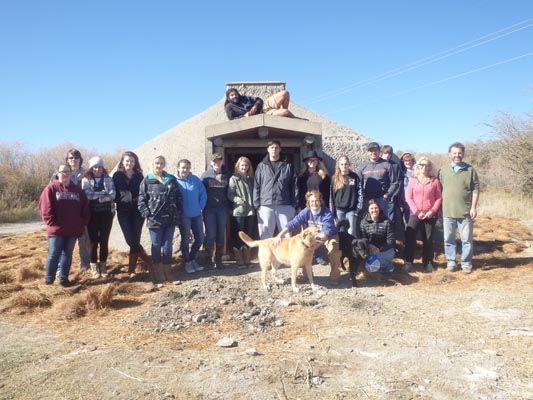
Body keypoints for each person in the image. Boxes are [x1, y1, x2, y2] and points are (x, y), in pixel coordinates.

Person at [39, 164, 90, 286]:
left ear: (71, 174)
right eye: (62, 172)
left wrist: (81, 224)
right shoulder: (51, 189)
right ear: (58, 173)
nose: (65, 174)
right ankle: (49, 280)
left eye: (67, 172)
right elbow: (45, 208)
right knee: (54, 253)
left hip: (72, 230)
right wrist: (52, 223)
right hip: (56, 231)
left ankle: (63, 279)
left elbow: (85, 209)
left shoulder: (77, 191)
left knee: (68, 254)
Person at [138, 155, 183, 283]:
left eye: (161, 163)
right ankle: (158, 273)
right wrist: (147, 213)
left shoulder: (171, 179)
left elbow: (178, 196)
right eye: (157, 163)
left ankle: (168, 272)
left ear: (164, 165)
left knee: (168, 247)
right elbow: (141, 200)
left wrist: (178, 212)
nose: (159, 165)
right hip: (155, 219)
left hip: (170, 218)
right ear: (153, 164)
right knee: (156, 245)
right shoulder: (147, 180)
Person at [437, 142, 480, 274]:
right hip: (447, 211)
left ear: (463, 154)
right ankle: (451, 262)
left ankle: (466, 263)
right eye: (454, 153)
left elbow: (476, 190)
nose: (457, 155)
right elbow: (438, 191)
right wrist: (438, 210)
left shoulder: (470, 170)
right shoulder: (443, 171)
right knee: (448, 240)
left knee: (466, 240)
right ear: (450, 154)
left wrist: (473, 207)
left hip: (465, 211)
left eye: (459, 153)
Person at [50, 149, 91, 273]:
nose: (73, 160)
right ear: (67, 160)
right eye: (71, 158)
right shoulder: (59, 173)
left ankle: (85, 267)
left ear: (80, 159)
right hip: (64, 214)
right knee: (62, 245)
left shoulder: (86, 173)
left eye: (76, 157)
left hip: (81, 212)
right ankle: (59, 270)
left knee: (84, 242)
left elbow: (92, 189)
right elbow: (51, 190)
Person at [273, 190, 337, 267]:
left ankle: (334, 271)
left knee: (334, 249)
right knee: (302, 248)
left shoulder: (327, 213)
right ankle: (310, 268)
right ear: (308, 203)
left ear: (320, 201)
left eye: (316, 201)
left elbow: (326, 232)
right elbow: (293, 223)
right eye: (312, 201)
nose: (314, 203)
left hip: (327, 239)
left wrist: (313, 248)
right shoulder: (306, 212)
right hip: (312, 240)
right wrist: (279, 235)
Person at [112, 151, 151, 277]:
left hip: (137, 211)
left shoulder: (139, 176)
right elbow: (113, 192)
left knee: (136, 238)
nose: (129, 163)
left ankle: (131, 270)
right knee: (130, 240)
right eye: (127, 160)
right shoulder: (117, 176)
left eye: (132, 161)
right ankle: (149, 261)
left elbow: (144, 192)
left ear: (135, 162)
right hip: (123, 211)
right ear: (123, 162)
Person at [253, 139, 299, 239]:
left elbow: (294, 186)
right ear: (268, 149)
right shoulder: (261, 166)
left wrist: (293, 204)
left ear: (280, 149)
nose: (274, 149)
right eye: (272, 147)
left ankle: (285, 255)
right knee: (265, 236)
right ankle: (265, 255)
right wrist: (257, 204)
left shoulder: (288, 166)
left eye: (276, 147)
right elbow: (256, 186)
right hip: (265, 205)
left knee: (287, 235)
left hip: (285, 205)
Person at [404, 157, 442, 273]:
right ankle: (408, 262)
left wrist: (432, 211)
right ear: (418, 166)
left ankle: (428, 262)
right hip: (415, 213)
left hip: (430, 214)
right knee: (410, 237)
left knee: (428, 239)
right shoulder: (413, 180)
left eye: (426, 165)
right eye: (421, 164)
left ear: (430, 167)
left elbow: (439, 198)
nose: (424, 167)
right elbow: (408, 198)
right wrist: (417, 212)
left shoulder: (434, 181)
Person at [82, 156, 116, 279]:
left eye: (100, 167)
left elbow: (113, 195)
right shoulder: (86, 179)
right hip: (91, 215)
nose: (97, 169)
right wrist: (103, 194)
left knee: (104, 241)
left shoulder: (108, 179)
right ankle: (94, 268)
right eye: (95, 167)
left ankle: (103, 266)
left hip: (106, 214)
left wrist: (98, 196)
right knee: (92, 242)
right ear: (91, 168)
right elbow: (87, 195)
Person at [176, 159, 207, 274]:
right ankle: (187, 262)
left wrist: (200, 207)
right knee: (185, 240)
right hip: (183, 216)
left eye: (187, 168)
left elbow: (203, 193)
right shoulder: (174, 181)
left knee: (200, 238)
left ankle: (192, 258)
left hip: (196, 214)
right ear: (178, 168)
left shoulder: (195, 180)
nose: (185, 170)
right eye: (183, 167)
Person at [201, 153, 231, 270]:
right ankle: (208, 260)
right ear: (211, 162)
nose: (217, 163)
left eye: (219, 160)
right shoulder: (205, 175)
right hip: (209, 209)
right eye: (214, 161)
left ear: (222, 162)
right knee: (210, 234)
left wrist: (230, 207)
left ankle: (218, 260)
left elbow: (230, 191)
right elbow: (201, 192)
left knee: (220, 234)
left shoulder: (227, 175)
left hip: (222, 209)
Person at [358, 142, 399, 222]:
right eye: (371, 151)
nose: (373, 152)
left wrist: (388, 194)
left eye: (375, 150)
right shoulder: (363, 166)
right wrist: (361, 193)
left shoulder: (386, 165)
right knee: (367, 222)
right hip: (367, 199)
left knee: (384, 222)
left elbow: (394, 182)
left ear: (379, 151)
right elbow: (358, 182)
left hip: (382, 199)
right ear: (368, 152)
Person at [227, 156, 255, 268]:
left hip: (250, 211)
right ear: (238, 166)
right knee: (239, 235)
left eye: (246, 165)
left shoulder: (250, 179)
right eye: (242, 165)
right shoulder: (233, 179)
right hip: (239, 211)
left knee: (248, 235)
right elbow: (230, 194)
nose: (244, 167)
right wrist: (239, 201)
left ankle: (247, 260)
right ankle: (239, 261)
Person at [360, 199, 395, 275]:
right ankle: (378, 266)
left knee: (377, 261)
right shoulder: (363, 222)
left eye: (376, 208)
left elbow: (391, 240)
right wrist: (369, 245)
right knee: (369, 266)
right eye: (371, 208)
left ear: (379, 209)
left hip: (385, 249)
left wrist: (379, 248)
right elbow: (363, 238)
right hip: (370, 249)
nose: (374, 210)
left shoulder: (387, 222)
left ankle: (388, 266)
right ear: (368, 210)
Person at [329, 155, 363, 236]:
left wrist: (358, 209)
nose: (344, 166)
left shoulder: (354, 177)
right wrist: (332, 211)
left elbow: (360, 193)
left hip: (351, 210)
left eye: (346, 164)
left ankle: (350, 249)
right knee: (339, 233)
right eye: (342, 164)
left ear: (349, 165)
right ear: (339, 165)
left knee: (351, 233)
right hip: (338, 210)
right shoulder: (335, 178)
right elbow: (331, 196)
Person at [224, 88, 295, 120]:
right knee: (286, 112)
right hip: (262, 114)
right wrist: (244, 116)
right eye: (232, 95)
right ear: (228, 97)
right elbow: (232, 119)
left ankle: (285, 119)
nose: (234, 96)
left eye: (235, 94)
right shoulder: (229, 107)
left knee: (285, 93)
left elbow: (259, 100)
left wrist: (255, 106)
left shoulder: (244, 98)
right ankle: (297, 120)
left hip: (264, 106)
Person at [400, 152, 416, 226]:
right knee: (405, 221)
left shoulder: (417, 173)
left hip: (415, 201)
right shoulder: (401, 173)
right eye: (405, 161)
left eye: (409, 160)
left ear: (413, 161)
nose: (407, 162)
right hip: (404, 200)